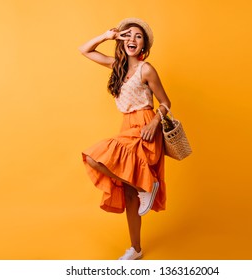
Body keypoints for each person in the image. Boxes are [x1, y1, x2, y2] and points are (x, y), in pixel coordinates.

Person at [78, 18, 171, 260]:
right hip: (126, 126)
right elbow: (84, 49)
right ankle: (136, 248)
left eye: (138, 36)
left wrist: (153, 122)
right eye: (128, 35)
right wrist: (106, 35)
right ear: (122, 40)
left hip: (145, 128)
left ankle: (145, 187)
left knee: (97, 157)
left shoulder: (146, 69)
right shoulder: (116, 66)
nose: (132, 39)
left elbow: (166, 103)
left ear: (144, 45)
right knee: (127, 190)